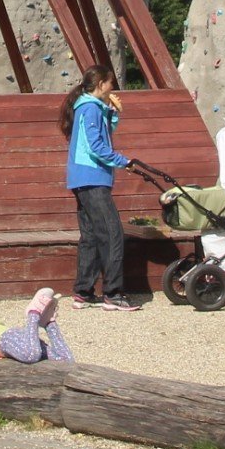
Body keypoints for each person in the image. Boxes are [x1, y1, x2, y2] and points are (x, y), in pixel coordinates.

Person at [62, 65, 134, 310]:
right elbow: (96, 146)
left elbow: (102, 135)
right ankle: (113, 293)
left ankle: (83, 291)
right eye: (110, 83)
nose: (113, 87)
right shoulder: (91, 108)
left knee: (91, 236)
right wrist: (124, 161)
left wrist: (112, 114)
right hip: (92, 177)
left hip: (82, 178)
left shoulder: (90, 107)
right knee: (112, 234)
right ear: (101, 84)